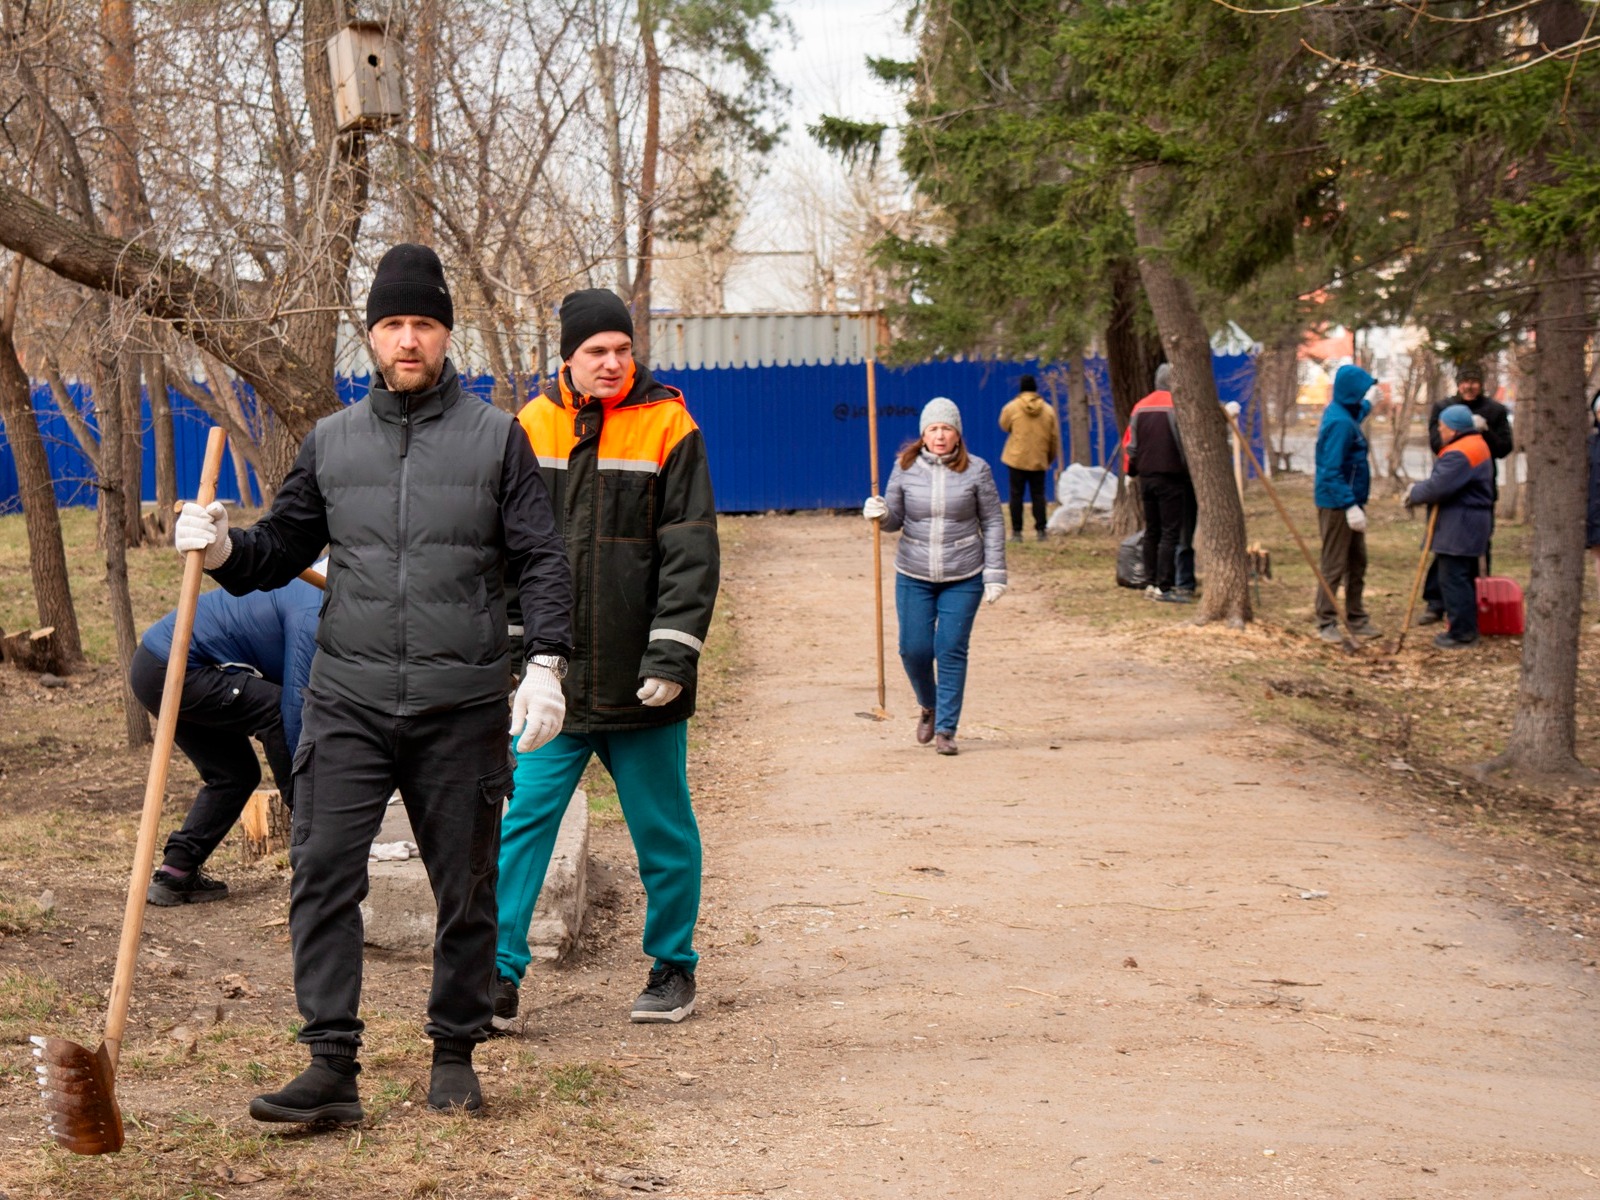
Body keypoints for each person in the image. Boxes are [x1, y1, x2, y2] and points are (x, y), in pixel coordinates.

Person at [174, 243, 573, 1121]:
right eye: (391, 324)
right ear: (370, 336)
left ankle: (455, 1052)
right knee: (320, 872)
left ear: (445, 334)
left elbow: (542, 559)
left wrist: (544, 662)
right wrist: (221, 546)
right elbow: (281, 545)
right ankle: (330, 1066)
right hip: (348, 697)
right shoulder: (332, 442)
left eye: (422, 324)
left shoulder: (496, 439)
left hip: (460, 702)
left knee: (463, 885)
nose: (407, 340)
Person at [492, 288, 720, 1033]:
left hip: (639, 678)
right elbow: (510, 550)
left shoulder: (669, 425)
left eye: (623, 349)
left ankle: (672, 966)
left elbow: (690, 550)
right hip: (553, 681)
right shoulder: (532, 425)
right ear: (568, 357)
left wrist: (673, 654)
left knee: (664, 829)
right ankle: (496, 974)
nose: (613, 362)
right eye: (597, 351)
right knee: (523, 821)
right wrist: (524, 655)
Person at [132, 576, 321, 905]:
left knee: (235, 773)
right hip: (173, 665)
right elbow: (293, 710)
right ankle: (311, 836)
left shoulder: (312, 591)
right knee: (277, 711)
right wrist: (309, 810)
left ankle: (177, 873)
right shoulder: (312, 606)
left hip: (156, 667)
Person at [862, 397, 1006, 756]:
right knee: (913, 649)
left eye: (947, 429)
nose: (940, 436)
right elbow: (894, 521)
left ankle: (946, 728)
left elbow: (992, 521)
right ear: (923, 434)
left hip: (964, 573)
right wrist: (877, 512)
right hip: (914, 571)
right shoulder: (904, 467)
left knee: (951, 649)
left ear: (958, 434)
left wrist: (995, 573)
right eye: (934, 429)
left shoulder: (977, 470)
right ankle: (928, 704)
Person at [1418, 363, 1512, 624]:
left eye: (1474, 381)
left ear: (1481, 384)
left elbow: (1505, 448)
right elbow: (1436, 444)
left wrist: (1486, 432)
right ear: (1457, 384)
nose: (1469, 386)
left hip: (1478, 490)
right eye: (1464, 382)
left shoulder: (1494, 411)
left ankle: (1477, 600)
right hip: (1449, 487)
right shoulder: (1443, 409)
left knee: (1476, 549)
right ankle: (1436, 602)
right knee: (1446, 550)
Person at [1405, 404, 1494, 649]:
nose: (1440, 432)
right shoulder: (1476, 443)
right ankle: (1465, 627)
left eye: (1442, 428)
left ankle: (1461, 633)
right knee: (1461, 576)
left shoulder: (1460, 452)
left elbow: (1438, 487)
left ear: (1454, 430)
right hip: (1468, 521)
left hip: (1460, 525)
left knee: (1454, 578)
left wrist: (1414, 492)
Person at [1311, 364, 1381, 643]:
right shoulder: (1339, 423)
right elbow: (1330, 470)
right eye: (1363, 391)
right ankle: (1325, 621)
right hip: (1337, 504)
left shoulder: (1346, 413)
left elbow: (1356, 413)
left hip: (1351, 502)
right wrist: (1349, 505)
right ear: (1352, 392)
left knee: (1357, 561)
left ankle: (1356, 616)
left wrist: (1369, 404)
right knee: (1334, 563)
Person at [1123, 364, 1194, 603]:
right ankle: (1165, 587)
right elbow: (1184, 444)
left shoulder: (1140, 406)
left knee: (1152, 531)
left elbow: (1131, 445)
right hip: (1171, 477)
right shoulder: (1177, 407)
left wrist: (1132, 471)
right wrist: (1188, 470)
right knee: (1170, 533)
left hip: (1146, 477)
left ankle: (1150, 582)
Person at [998, 373, 1060, 543]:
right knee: (1038, 495)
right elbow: (1054, 437)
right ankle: (1041, 531)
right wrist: (1049, 457)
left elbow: (1003, 425)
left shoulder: (1011, 407)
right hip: (1039, 458)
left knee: (1016, 495)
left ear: (1021, 389)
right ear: (1035, 389)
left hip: (1016, 458)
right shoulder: (1048, 410)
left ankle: (1016, 533)